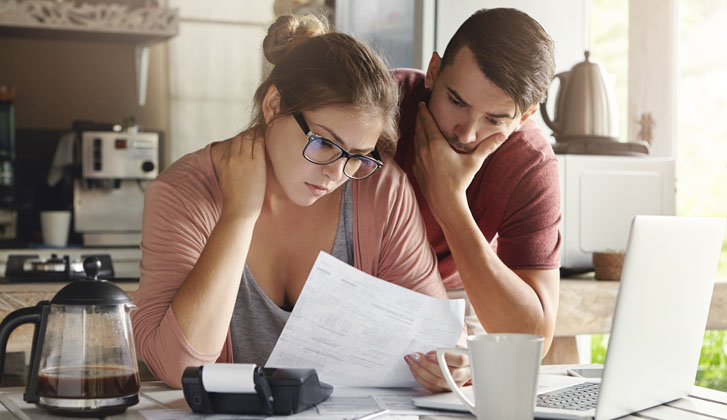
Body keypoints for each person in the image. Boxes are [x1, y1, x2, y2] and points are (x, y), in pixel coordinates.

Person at [131, 15, 467, 391]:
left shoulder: (381, 189)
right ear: (274, 105)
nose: (337, 173)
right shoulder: (184, 193)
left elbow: (437, 339)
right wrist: (239, 215)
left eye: (357, 155)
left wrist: (452, 364)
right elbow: (179, 367)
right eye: (324, 143)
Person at [397, 8, 561, 390]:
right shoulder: (380, 105)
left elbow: (532, 341)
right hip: (355, 277)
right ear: (434, 71)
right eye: (456, 101)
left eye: (496, 119)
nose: (468, 134)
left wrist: (451, 205)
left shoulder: (530, 164)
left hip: (458, 291)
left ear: (525, 116)